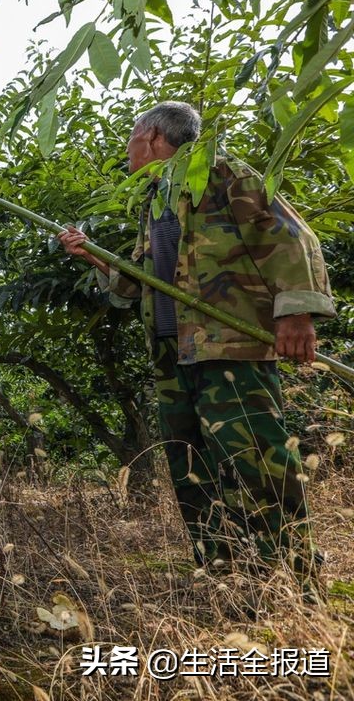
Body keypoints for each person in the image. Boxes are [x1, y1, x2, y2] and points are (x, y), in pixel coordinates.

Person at [59, 101, 336, 587]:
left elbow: (292, 237)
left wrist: (296, 314)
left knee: (255, 457)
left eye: (131, 141)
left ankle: (294, 575)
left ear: (152, 137)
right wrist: (94, 257)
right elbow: (144, 280)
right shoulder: (157, 198)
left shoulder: (224, 173)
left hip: (228, 344)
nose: (127, 153)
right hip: (174, 352)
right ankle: (225, 570)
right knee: (190, 463)